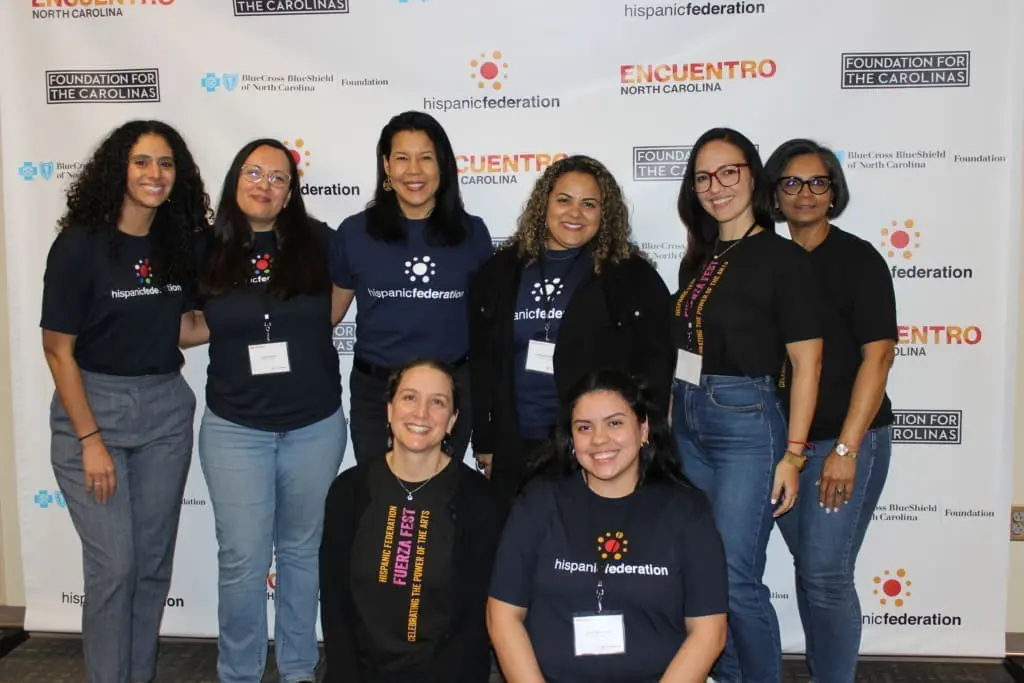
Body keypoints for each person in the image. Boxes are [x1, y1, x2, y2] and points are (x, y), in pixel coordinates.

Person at [40, 119, 210, 683]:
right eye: (142, 162)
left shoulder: (176, 243)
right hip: (95, 413)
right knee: (115, 567)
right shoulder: (79, 245)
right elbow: (58, 351)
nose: (154, 174)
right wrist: (89, 440)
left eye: (165, 164)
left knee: (152, 565)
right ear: (119, 168)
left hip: (164, 410)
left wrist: (254, 317)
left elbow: (178, 328)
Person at [185, 138, 345, 683]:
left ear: (291, 191)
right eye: (254, 172)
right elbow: (184, 324)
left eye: (278, 177)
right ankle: (240, 672)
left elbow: (333, 309)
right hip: (235, 429)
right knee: (243, 562)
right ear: (234, 179)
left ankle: (299, 668)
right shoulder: (204, 246)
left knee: (302, 553)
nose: (265, 185)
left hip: (314, 426)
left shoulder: (319, 243)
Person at [670, 128, 823, 683]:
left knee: (736, 577)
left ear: (752, 175)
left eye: (728, 172)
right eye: (704, 177)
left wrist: (795, 455)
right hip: (688, 423)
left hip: (746, 429)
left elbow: (807, 365)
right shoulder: (701, 258)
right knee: (708, 576)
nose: (716, 187)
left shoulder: (783, 260)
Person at [487, 370, 728, 683]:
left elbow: (709, 632)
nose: (599, 439)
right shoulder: (539, 502)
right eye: (584, 427)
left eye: (615, 423)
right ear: (571, 438)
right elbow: (502, 616)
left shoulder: (687, 510)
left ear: (643, 430)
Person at [468, 154, 673, 514]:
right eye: (564, 199)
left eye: (588, 204)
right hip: (515, 445)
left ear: (604, 213)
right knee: (518, 553)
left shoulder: (629, 276)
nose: (574, 213)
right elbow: (483, 362)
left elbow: (656, 362)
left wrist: (642, 438)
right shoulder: (502, 271)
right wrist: (485, 440)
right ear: (544, 203)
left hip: (595, 448)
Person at [764, 139, 896, 683]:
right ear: (774, 192)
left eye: (818, 182)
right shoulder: (768, 260)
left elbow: (880, 355)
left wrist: (845, 449)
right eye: (792, 183)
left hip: (844, 443)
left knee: (825, 575)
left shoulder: (857, 259)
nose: (805, 193)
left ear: (833, 191)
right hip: (785, 446)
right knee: (812, 572)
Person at [319, 358, 501, 683]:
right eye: (409, 397)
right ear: (389, 410)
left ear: (453, 420)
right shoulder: (348, 492)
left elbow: (475, 621)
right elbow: (335, 606)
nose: (421, 413)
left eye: (438, 402)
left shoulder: (480, 501)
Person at [330, 111, 493, 464]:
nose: (414, 171)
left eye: (425, 158)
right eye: (402, 158)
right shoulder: (355, 233)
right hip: (377, 394)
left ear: (443, 166)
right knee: (377, 501)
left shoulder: (473, 235)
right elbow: (328, 313)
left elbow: (488, 326)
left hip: (448, 392)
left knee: (441, 505)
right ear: (386, 166)